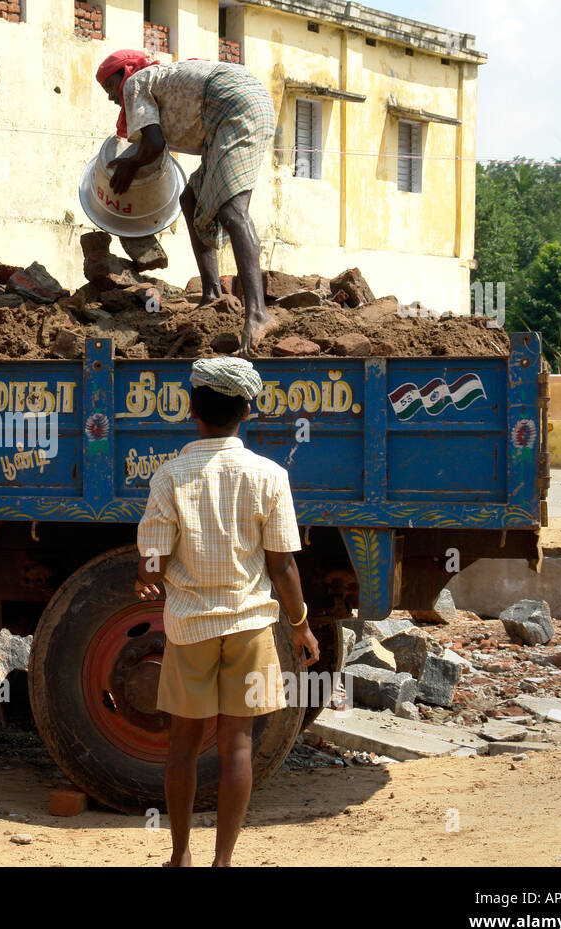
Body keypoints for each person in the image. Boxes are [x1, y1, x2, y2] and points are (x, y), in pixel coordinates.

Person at [134, 356, 319, 867]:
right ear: (247, 413)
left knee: (183, 746)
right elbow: (282, 566)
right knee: (237, 744)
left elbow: (153, 559)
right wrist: (300, 625)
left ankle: (180, 856)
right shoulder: (270, 476)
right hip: (251, 626)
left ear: (192, 410)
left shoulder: (170, 475)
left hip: (190, 626)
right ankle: (223, 862)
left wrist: (149, 574)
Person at [95, 52, 277, 355]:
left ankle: (258, 314)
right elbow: (154, 150)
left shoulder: (136, 83)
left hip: (235, 105)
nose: (113, 97)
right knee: (190, 198)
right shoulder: (160, 84)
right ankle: (212, 294)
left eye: (110, 86)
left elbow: (154, 146)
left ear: (125, 73)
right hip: (225, 115)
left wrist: (128, 167)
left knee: (233, 210)